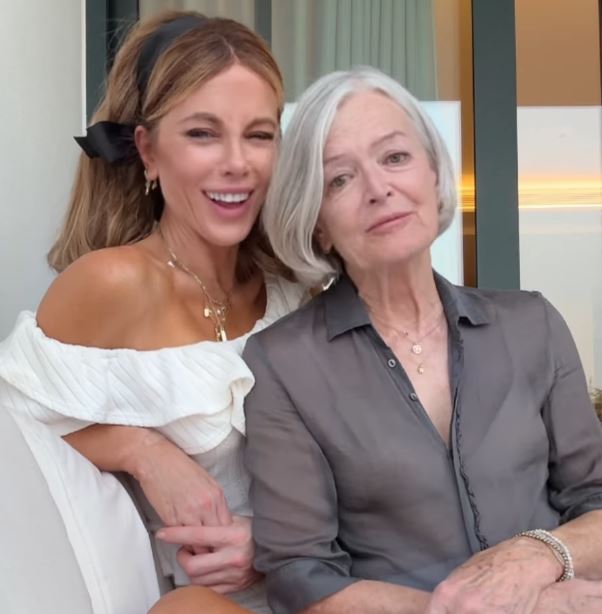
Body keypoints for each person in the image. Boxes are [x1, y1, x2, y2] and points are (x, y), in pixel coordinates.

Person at [241, 67, 602, 614]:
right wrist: (471, 609)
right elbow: (300, 576)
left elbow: (595, 500)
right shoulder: (284, 365)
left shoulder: (533, 324)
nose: (379, 189)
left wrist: (536, 559)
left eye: (395, 157)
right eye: (340, 179)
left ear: (434, 175)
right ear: (317, 222)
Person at [0, 10, 306, 613]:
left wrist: (276, 546)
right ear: (148, 151)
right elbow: (15, 434)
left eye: (259, 134)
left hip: (319, 586)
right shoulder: (113, 285)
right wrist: (142, 451)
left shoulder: (298, 291)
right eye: (202, 133)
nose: (237, 162)